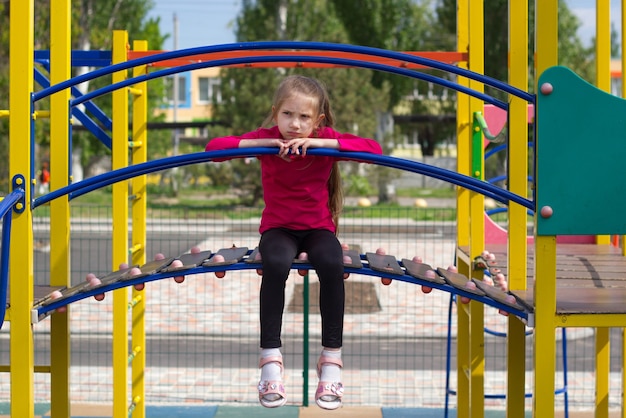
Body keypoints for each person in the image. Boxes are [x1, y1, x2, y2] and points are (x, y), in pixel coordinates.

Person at [205, 75, 382, 409]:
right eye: (288, 115)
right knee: (275, 262)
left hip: (318, 229)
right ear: (275, 114)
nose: (295, 124)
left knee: (332, 263)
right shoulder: (267, 139)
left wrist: (320, 145)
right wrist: (263, 146)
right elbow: (213, 150)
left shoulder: (324, 139)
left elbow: (374, 150)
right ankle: (270, 360)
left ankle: (331, 360)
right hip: (279, 229)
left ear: (318, 121)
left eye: (304, 118)